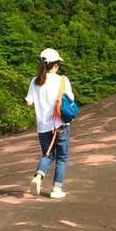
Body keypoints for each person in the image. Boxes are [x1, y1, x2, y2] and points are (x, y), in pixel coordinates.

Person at [25, 48, 75, 199]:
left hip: (43, 127)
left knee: (48, 154)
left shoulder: (35, 81)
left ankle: (38, 176)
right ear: (54, 65)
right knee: (61, 157)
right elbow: (70, 99)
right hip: (60, 125)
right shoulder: (62, 80)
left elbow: (28, 102)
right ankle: (56, 189)